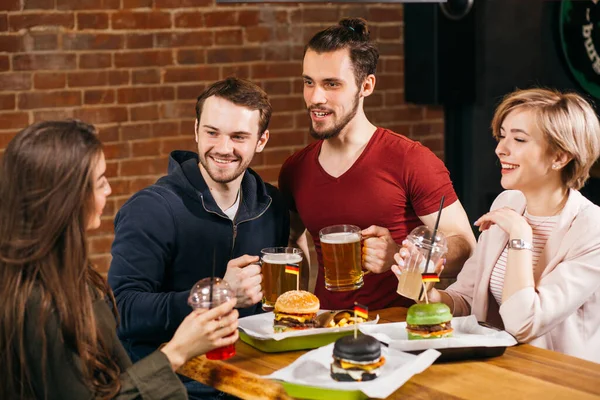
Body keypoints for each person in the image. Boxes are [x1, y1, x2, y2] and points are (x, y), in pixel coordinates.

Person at [0, 120, 240, 400]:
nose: (109, 190)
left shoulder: (58, 272)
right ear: (66, 197)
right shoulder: (40, 303)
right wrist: (178, 350)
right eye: (100, 181)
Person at [108, 77, 290, 398]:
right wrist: (218, 293)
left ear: (261, 140)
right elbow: (121, 312)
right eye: (211, 132)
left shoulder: (272, 207)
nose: (222, 148)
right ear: (195, 130)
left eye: (239, 136)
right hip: (176, 385)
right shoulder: (151, 208)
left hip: (251, 380)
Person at [278, 17, 476, 310]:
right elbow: (294, 243)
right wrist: (295, 305)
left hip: (400, 331)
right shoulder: (295, 169)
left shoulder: (412, 159)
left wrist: (402, 256)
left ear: (366, 86)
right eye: (309, 82)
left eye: (331, 84)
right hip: (326, 329)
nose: (315, 98)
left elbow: (466, 245)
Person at [394, 88, 600, 363]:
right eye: (502, 136)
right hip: (501, 368)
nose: (500, 148)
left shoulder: (591, 229)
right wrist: (428, 293)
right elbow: (466, 298)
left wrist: (520, 236)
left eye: (519, 139)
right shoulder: (509, 203)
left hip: (561, 379)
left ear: (560, 157)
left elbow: (524, 324)